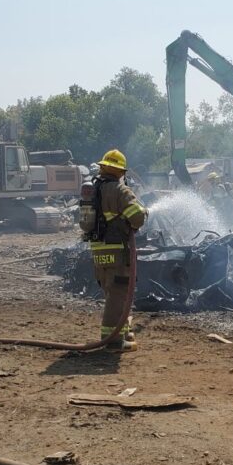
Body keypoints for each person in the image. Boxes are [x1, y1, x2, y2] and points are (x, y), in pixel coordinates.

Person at [86, 149, 147, 351]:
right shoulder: (119, 191)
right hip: (118, 251)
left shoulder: (94, 189)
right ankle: (113, 341)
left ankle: (122, 330)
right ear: (121, 172)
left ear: (103, 167)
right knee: (120, 292)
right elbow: (137, 217)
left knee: (113, 293)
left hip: (98, 250)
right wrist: (144, 212)